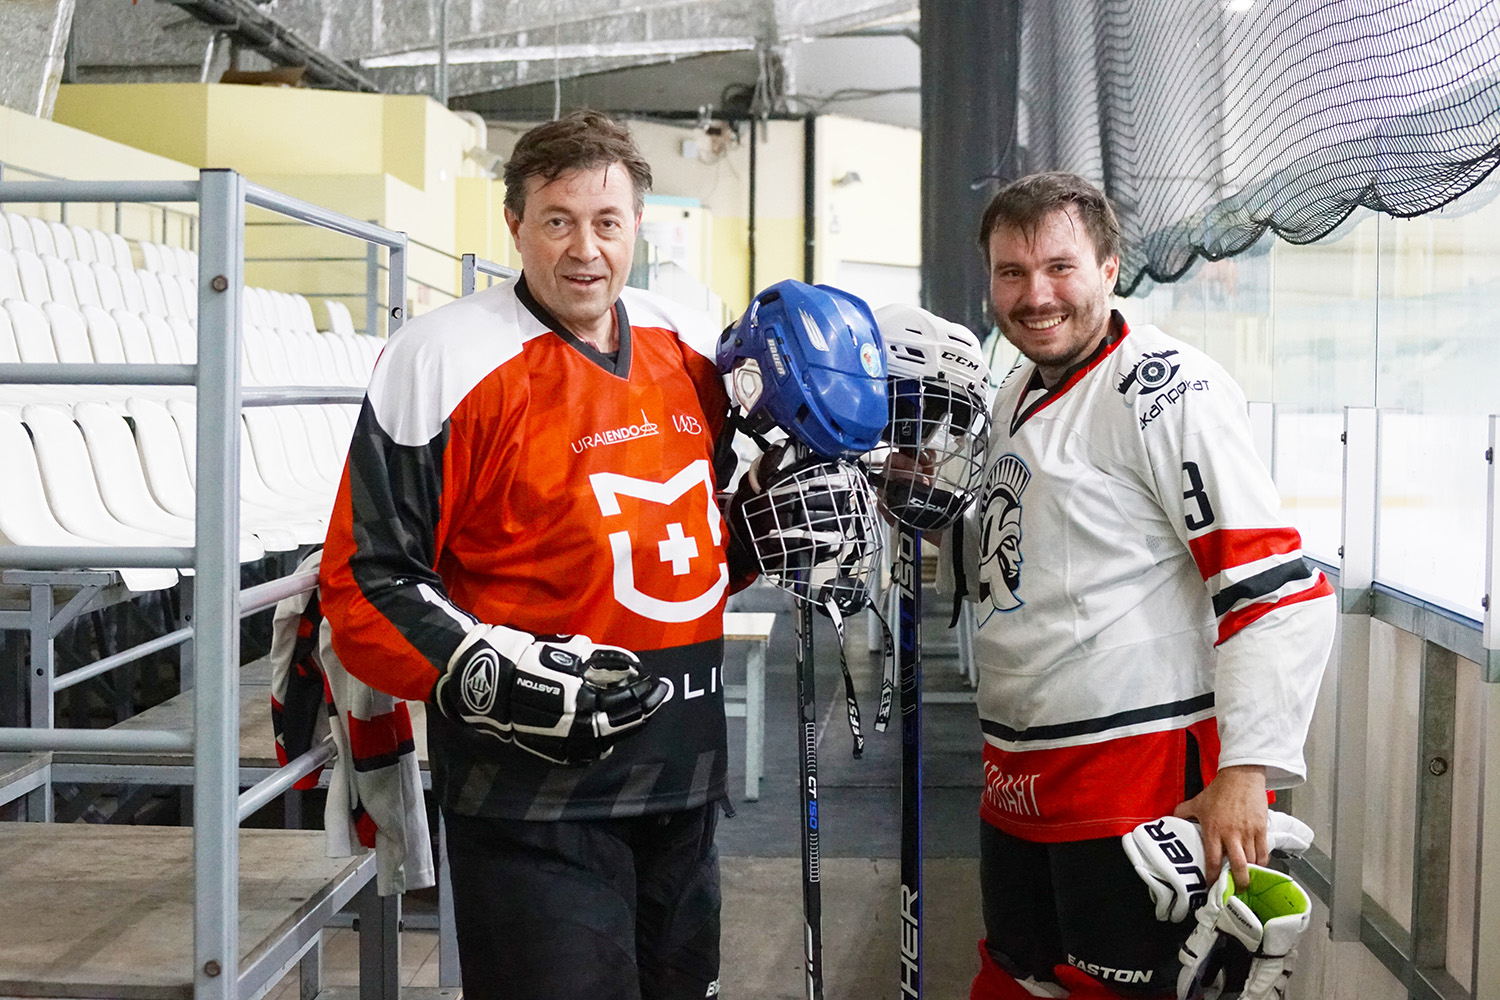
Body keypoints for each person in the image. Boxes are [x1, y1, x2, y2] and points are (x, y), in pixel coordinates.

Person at [319, 110, 741, 1000]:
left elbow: (698, 550)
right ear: (515, 225)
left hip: (683, 773)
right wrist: (491, 672)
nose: (586, 249)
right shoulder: (441, 358)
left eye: (607, 222)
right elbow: (368, 579)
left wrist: (774, 531)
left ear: (637, 226)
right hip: (529, 799)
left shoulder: (687, 346)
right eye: (558, 221)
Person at [954, 172, 1336, 999]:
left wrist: (1246, 772)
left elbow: (1275, 590)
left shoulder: (1167, 392)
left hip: (1134, 771)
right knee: (1017, 978)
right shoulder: (1015, 391)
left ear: (1110, 268)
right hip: (1017, 772)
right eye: (1012, 272)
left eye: (1060, 267)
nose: (1035, 295)